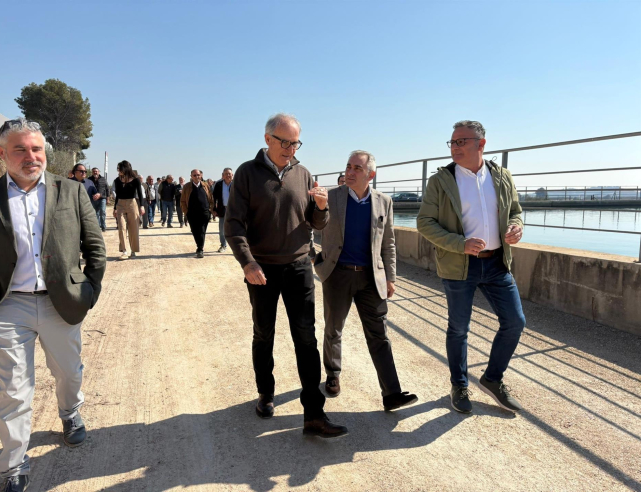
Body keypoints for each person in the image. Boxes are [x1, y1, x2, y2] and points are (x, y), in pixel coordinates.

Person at [0, 118, 106, 492]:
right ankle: (14, 465)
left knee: (68, 371)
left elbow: (95, 247)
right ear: (2, 153)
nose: (31, 156)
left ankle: (70, 412)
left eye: (36, 149)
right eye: (20, 149)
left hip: (61, 302)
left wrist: (89, 291)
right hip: (8, 305)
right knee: (14, 389)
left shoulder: (70, 191)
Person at [225, 113, 347, 438]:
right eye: (285, 142)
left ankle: (314, 414)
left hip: (298, 266)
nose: (291, 149)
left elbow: (316, 223)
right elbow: (233, 224)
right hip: (261, 269)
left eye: (296, 143)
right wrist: (248, 263)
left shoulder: (303, 173)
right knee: (263, 333)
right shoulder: (247, 173)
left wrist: (321, 207)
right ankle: (266, 393)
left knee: (306, 338)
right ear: (267, 139)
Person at [417, 120, 526, 414]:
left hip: (497, 263)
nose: (455, 147)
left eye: (461, 141)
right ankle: (459, 385)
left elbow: (515, 211)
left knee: (515, 322)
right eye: (452, 142)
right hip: (459, 265)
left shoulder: (502, 176)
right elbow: (424, 222)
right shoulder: (441, 180)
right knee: (459, 329)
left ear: (481, 144)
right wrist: (459, 243)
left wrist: (516, 227)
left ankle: (492, 379)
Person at [315, 150, 417, 411]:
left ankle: (391, 393)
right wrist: (316, 259)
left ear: (371, 174)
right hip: (337, 274)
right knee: (333, 328)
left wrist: (391, 277)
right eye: (348, 167)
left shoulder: (384, 201)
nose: (350, 172)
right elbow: (312, 226)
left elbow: (388, 242)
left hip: (372, 277)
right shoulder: (331, 197)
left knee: (379, 334)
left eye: (357, 168)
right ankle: (333, 374)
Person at [112, 161, 144, 260]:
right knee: (121, 227)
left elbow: (140, 193)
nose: (118, 170)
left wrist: (142, 206)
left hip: (132, 204)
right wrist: (115, 208)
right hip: (120, 205)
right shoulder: (117, 180)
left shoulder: (136, 180)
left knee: (133, 228)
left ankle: (133, 251)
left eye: (120, 168)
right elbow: (117, 195)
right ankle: (124, 251)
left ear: (126, 168)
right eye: (118, 168)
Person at [180, 169, 214, 258]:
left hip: (204, 212)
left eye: (198, 175)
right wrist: (186, 212)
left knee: (202, 231)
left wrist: (210, 209)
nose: (196, 177)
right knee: (195, 231)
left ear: (201, 176)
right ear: (191, 176)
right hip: (191, 213)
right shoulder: (187, 187)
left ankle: (200, 249)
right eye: (194, 175)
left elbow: (211, 198)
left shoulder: (205, 185)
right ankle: (199, 245)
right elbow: (182, 201)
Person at [212, 168, 233, 252]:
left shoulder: (237, 184)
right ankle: (223, 245)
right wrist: (214, 209)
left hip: (234, 210)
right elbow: (214, 198)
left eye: (229, 174)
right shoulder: (219, 184)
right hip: (222, 209)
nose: (228, 175)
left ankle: (237, 247)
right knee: (222, 229)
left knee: (236, 229)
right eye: (226, 174)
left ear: (232, 175)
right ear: (223, 175)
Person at [89, 167, 110, 232]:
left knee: (102, 212)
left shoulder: (103, 179)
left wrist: (108, 198)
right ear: (92, 172)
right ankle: (97, 227)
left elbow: (107, 189)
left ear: (99, 172)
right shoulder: (89, 179)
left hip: (102, 198)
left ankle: (103, 226)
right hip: (93, 199)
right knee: (95, 213)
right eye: (94, 171)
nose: (95, 172)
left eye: (96, 171)